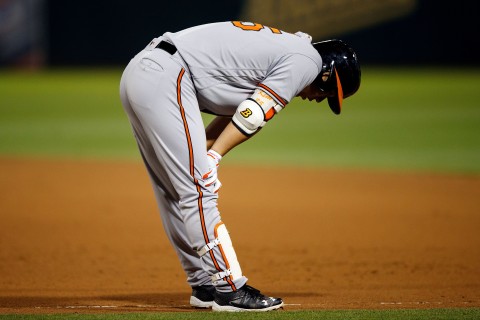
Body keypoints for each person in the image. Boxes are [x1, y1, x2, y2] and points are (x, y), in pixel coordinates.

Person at [119, 21, 360, 312]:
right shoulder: (308, 61)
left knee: (173, 189)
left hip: (145, 72)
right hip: (168, 75)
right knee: (199, 188)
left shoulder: (291, 52)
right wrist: (214, 158)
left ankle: (205, 285)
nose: (320, 99)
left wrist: (207, 150)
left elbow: (245, 110)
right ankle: (230, 289)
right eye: (329, 93)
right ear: (327, 72)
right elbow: (254, 114)